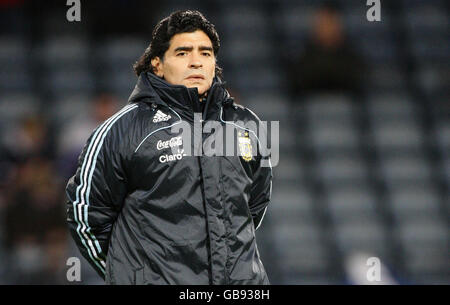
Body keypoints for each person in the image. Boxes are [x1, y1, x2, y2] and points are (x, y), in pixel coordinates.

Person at [66, 10, 273, 285]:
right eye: (183, 53)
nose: (196, 62)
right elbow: (86, 215)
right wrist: (131, 275)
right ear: (157, 64)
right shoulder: (122, 130)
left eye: (205, 53)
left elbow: (253, 206)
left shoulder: (247, 125)